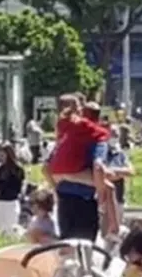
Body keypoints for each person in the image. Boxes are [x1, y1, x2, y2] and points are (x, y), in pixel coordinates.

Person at [44, 94, 110, 240]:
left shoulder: (65, 135)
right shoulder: (97, 138)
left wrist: (59, 182)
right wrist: (102, 199)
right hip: (85, 202)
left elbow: (46, 167)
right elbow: (98, 166)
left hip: (64, 201)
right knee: (85, 249)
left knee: (66, 247)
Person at [0, 142, 25, 234]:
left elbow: (16, 187)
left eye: (2, 155)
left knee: (10, 229)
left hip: (11, 202)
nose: (1, 157)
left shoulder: (17, 169)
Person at [104, 135, 135, 232]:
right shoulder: (101, 154)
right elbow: (102, 173)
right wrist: (119, 173)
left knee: (118, 231)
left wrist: (113, 171)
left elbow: (130, 171)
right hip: (104, 201)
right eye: (111, 134)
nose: (113, 138)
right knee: (106, 233)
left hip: (119, 199)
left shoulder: (120, 154)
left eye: (116, 135)